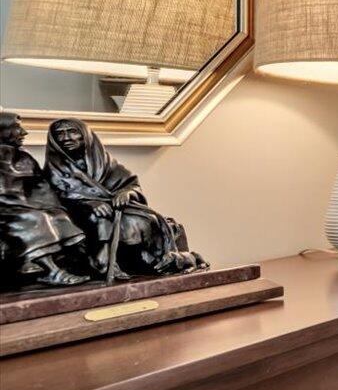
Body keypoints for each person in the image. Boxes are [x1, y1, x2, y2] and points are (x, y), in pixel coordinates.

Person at [45, 117, 205, 280]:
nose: (65, 138)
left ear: (85, 135)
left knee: (146, 221)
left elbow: (131, 184)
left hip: (116, 209)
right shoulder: (54, 169)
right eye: (60, 134)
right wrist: (89, 202)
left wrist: (127, 193)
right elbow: (54, 196)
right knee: (100, 216)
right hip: (78, 214)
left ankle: (179, 259)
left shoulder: (105, 163)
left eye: (72, 132)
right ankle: (105, 261)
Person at [0, 112, 89, 288]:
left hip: (23, 205)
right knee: (35, 218)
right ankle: (51, 272)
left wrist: (54, 207)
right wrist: (28, 208)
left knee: (59, 217)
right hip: (6, 209)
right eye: (17, 128)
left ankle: (73, 263)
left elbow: (41, 188)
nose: (24, 133)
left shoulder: (24, 158)